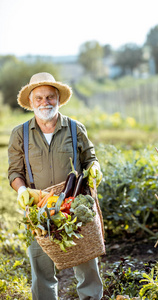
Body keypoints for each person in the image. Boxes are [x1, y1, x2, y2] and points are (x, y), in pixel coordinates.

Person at [8, 72, 103, 300]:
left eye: (50, 97)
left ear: (58, 99)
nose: (45, 102)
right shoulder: (19, 134)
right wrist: (21, 190)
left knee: (87, 262)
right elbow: (14, 172)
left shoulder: (75, 128)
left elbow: (90, 158)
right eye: (39, 98)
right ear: (31, 103)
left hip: (73, 204)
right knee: (41, 267)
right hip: (39, 208)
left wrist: (95, 167)